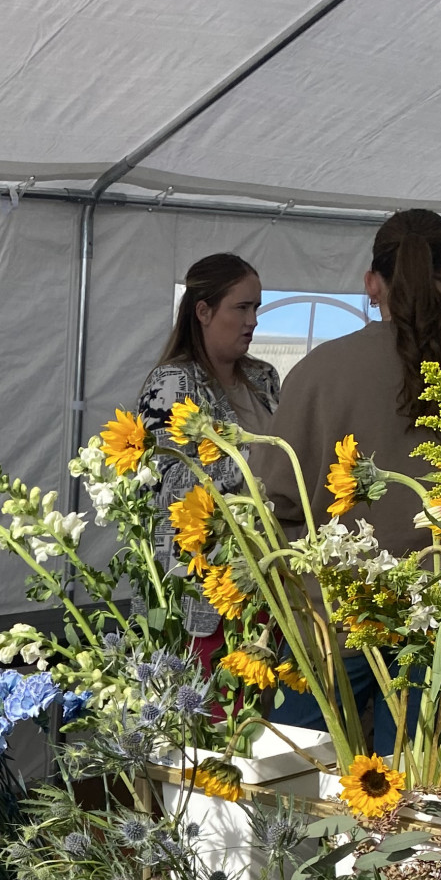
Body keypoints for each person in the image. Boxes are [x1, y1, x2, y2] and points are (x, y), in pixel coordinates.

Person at [258, 209, 441, 749]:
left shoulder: (320, 370)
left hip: (333, 622)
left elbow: (276, 503)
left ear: (372, 283)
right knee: (423, 794)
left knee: (296, 783)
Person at [136, 253, 281, 662]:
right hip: (201, 591)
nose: (252, 321)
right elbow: (163, 486)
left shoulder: (264, 377)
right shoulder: (172, 382)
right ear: (203, 311)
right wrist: (254, 461)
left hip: (267, 579)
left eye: (256, 308)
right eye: (241, 307)